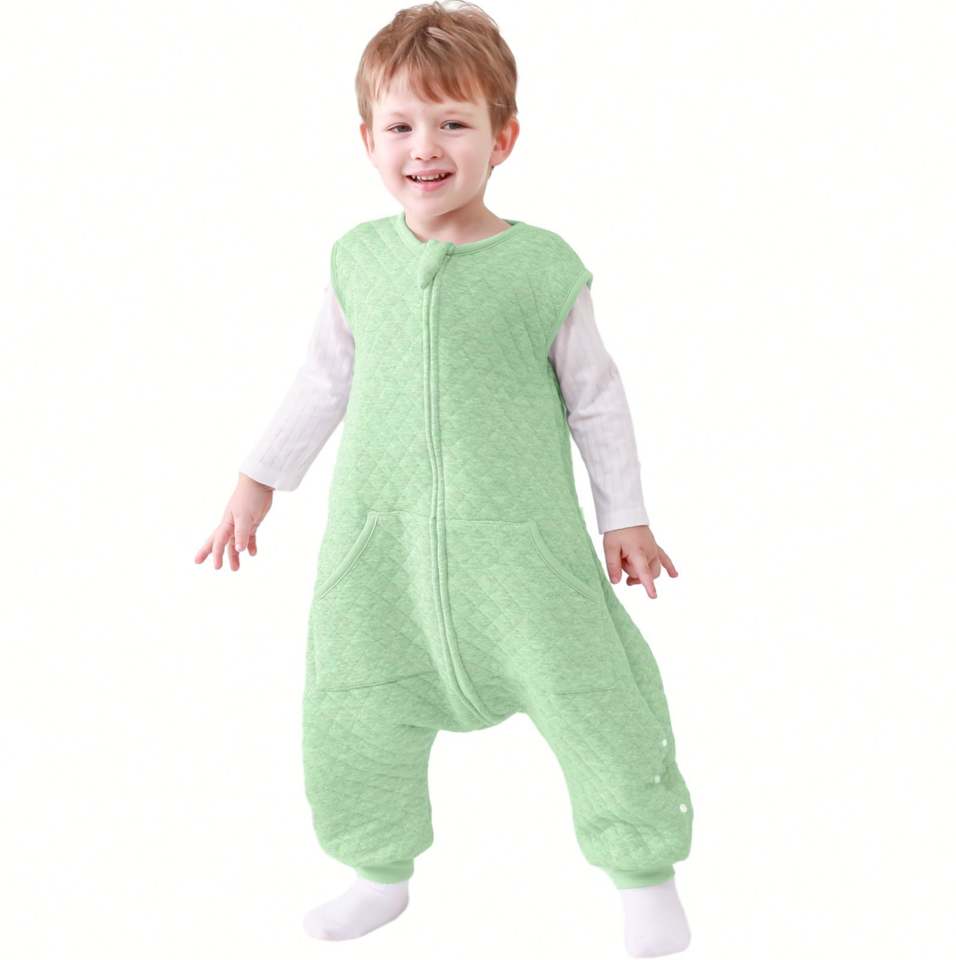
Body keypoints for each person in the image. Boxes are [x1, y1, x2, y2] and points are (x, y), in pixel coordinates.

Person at [195, 2, 693, 956]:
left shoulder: (540, 267)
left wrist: (623, 517)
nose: (425, 147)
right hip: (378, 554)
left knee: (599, 703)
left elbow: (596, 398)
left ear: (502, 138)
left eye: (453, 122)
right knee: (354, 708)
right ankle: (376, 871)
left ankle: (643, 874)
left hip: (525, 556)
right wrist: (258, 481)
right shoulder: (358, 260)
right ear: (368, 141)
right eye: (401, 125)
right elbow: (322, 382)